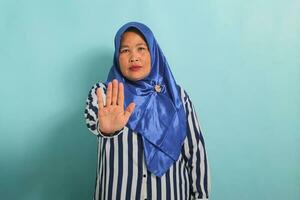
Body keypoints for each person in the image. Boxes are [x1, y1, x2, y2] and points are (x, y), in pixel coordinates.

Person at [84, 22, 211, 200]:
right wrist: (106, 129)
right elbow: (92, 121)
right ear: (117, 56)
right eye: (125, 50)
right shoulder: (105, 94)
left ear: (154, 52)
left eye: (141, 48)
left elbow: (196, 153)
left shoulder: (177, 95)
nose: (134, 57)